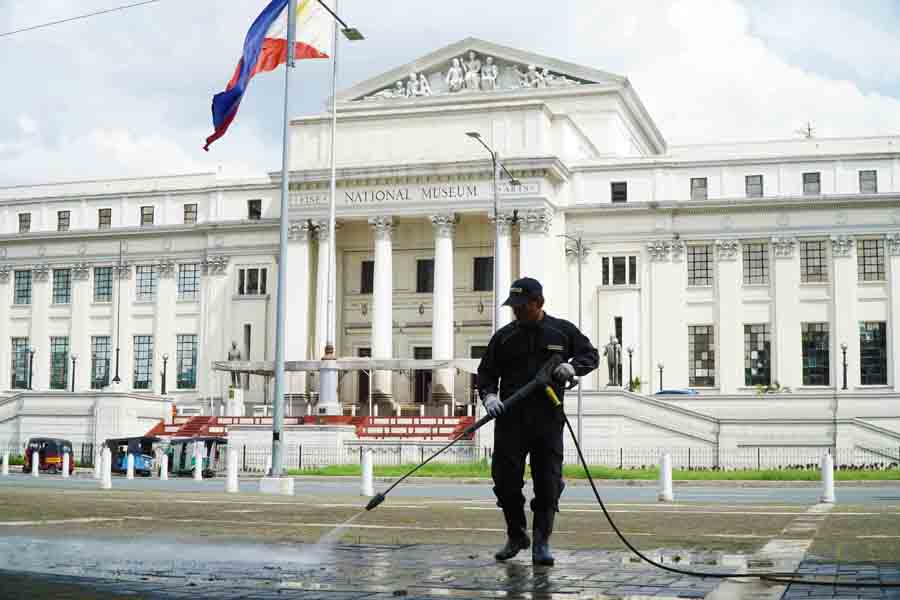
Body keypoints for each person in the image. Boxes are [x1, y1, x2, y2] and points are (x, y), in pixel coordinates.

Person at [477, 277, 599, 566]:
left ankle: (541, 542)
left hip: (548, 418)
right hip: (510, 419)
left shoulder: (562, 331)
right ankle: (516, 534)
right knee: (505, 481)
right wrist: (490, 397)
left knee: (548, 482)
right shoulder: (504, 337)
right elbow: (486, 373)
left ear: (538, 303)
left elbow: (590, 355)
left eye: (522, 306)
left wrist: (572, 366)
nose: (516, 312)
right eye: (514, 307)